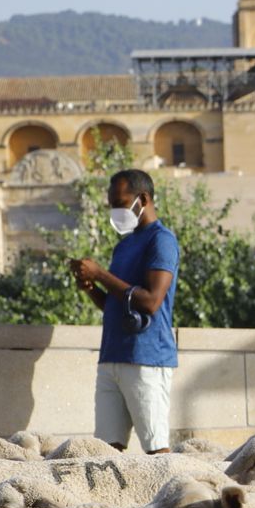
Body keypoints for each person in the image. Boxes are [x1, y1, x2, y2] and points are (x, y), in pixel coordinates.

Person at [69, 169, 179, 454]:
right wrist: (91, 287)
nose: (115, 211)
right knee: (105, 452)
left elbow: (151, 301)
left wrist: (100, 274)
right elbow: (116, 304)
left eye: (120, 203)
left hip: (146, 358)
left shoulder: (162, 240)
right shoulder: (124, 246)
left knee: (156, 450)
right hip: (111, 357)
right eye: (112, 204)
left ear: (143, 199)